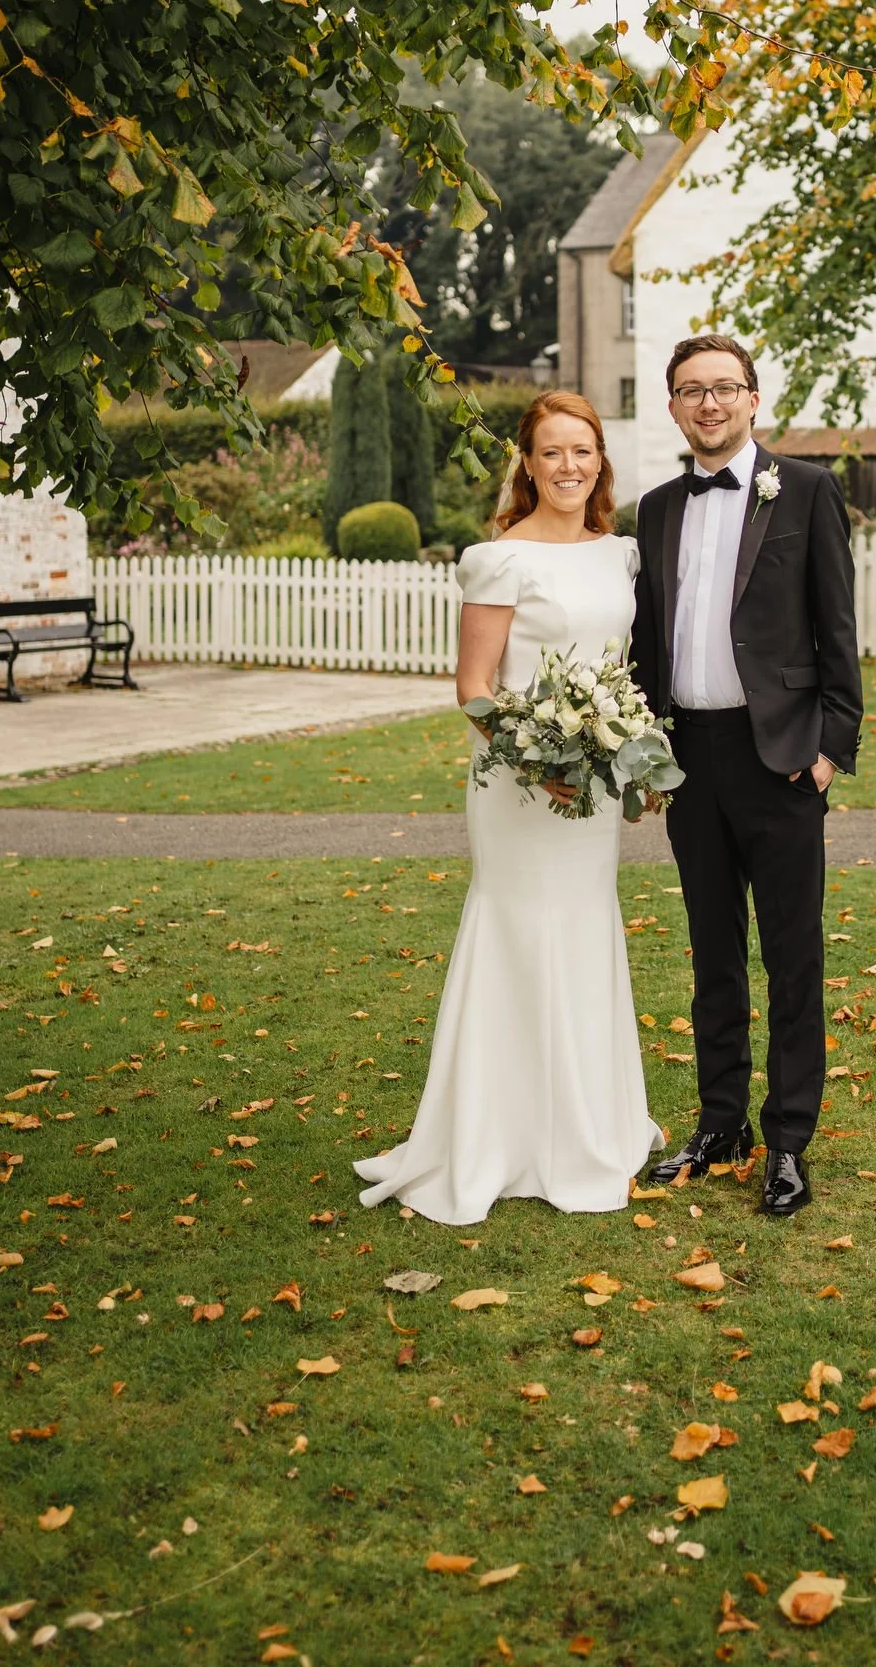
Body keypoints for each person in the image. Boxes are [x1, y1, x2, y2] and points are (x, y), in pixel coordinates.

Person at [354, 391, 661, 1225]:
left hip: (593, 790)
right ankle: (497, 1136)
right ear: (526, 463)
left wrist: (624, 758)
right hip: (519, 788)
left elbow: (620, 672)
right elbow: (475, 690)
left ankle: (591, 1126)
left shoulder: (619, 554)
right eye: (552, 452)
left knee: (585, 931)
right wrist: (537, 759)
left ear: (601, 460)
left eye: (583, 451)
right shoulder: (500, 560)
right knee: (518, 936)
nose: (569, 466)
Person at [630, 334, 863, 1217]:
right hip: (692, 761)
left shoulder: (803, 489)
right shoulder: (654, 508)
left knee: (792, 956)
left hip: (783, 759)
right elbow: (648, 643)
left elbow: (836, 628)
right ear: (674, 406)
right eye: (692, 391)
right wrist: (646, 751)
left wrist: (833, 747)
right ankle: (720, 1121)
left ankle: (789, 1142)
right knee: (713, 954)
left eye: (725, 388)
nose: (710, 404)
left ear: (754, 399)